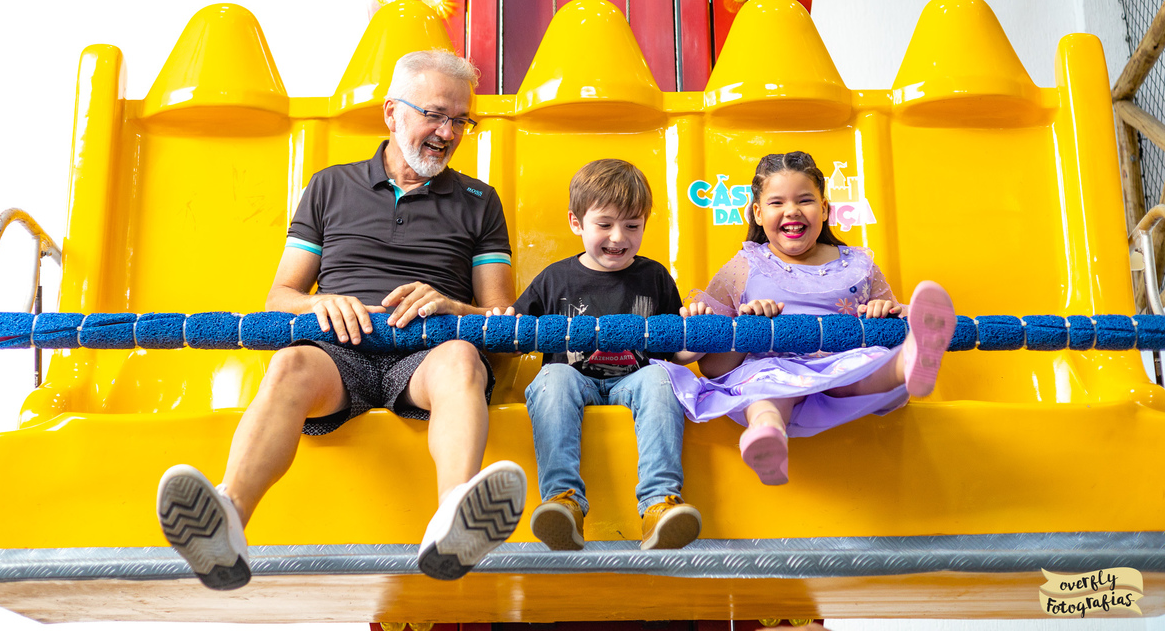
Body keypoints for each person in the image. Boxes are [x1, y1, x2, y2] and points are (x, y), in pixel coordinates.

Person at [156, 49, 526, 589]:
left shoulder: (480, 200)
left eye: (460, 121)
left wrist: (453, 306)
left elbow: (502, 323)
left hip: (426, 357)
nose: (448, 133)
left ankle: (453, 519)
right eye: (435, 115)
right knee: (289, 365)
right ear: (391, 112)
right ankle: (226, 521)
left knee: (462, 360)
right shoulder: (329, 185)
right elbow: (279, 298)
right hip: (338, 354)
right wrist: (319, 303)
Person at [660, 151, 956, 485]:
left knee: (868, 364)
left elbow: (889, 320)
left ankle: (909, 365)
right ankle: (767, 435)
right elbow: (714, 367)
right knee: (765, 390)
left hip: (843, 368)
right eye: (777, 203)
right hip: (772, 369)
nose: (792, 211)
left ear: (825, 209)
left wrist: (887, 314)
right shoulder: (744, 267)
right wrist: (747, 328)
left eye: (805, 200)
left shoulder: (857, 265)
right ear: (757, 213)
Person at [508, 159, 701, 552]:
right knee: (553, 377)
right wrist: (503, 325)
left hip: (634, 380)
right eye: (605, 224)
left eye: (632, 225)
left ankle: (659, 504)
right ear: (576, 222)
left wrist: (696, 337)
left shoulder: (655, 277)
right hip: (573, 380)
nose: (618, 237)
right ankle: (563, 502)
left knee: (660, 376)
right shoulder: (555, 279)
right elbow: (515, 336)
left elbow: (674, 353)